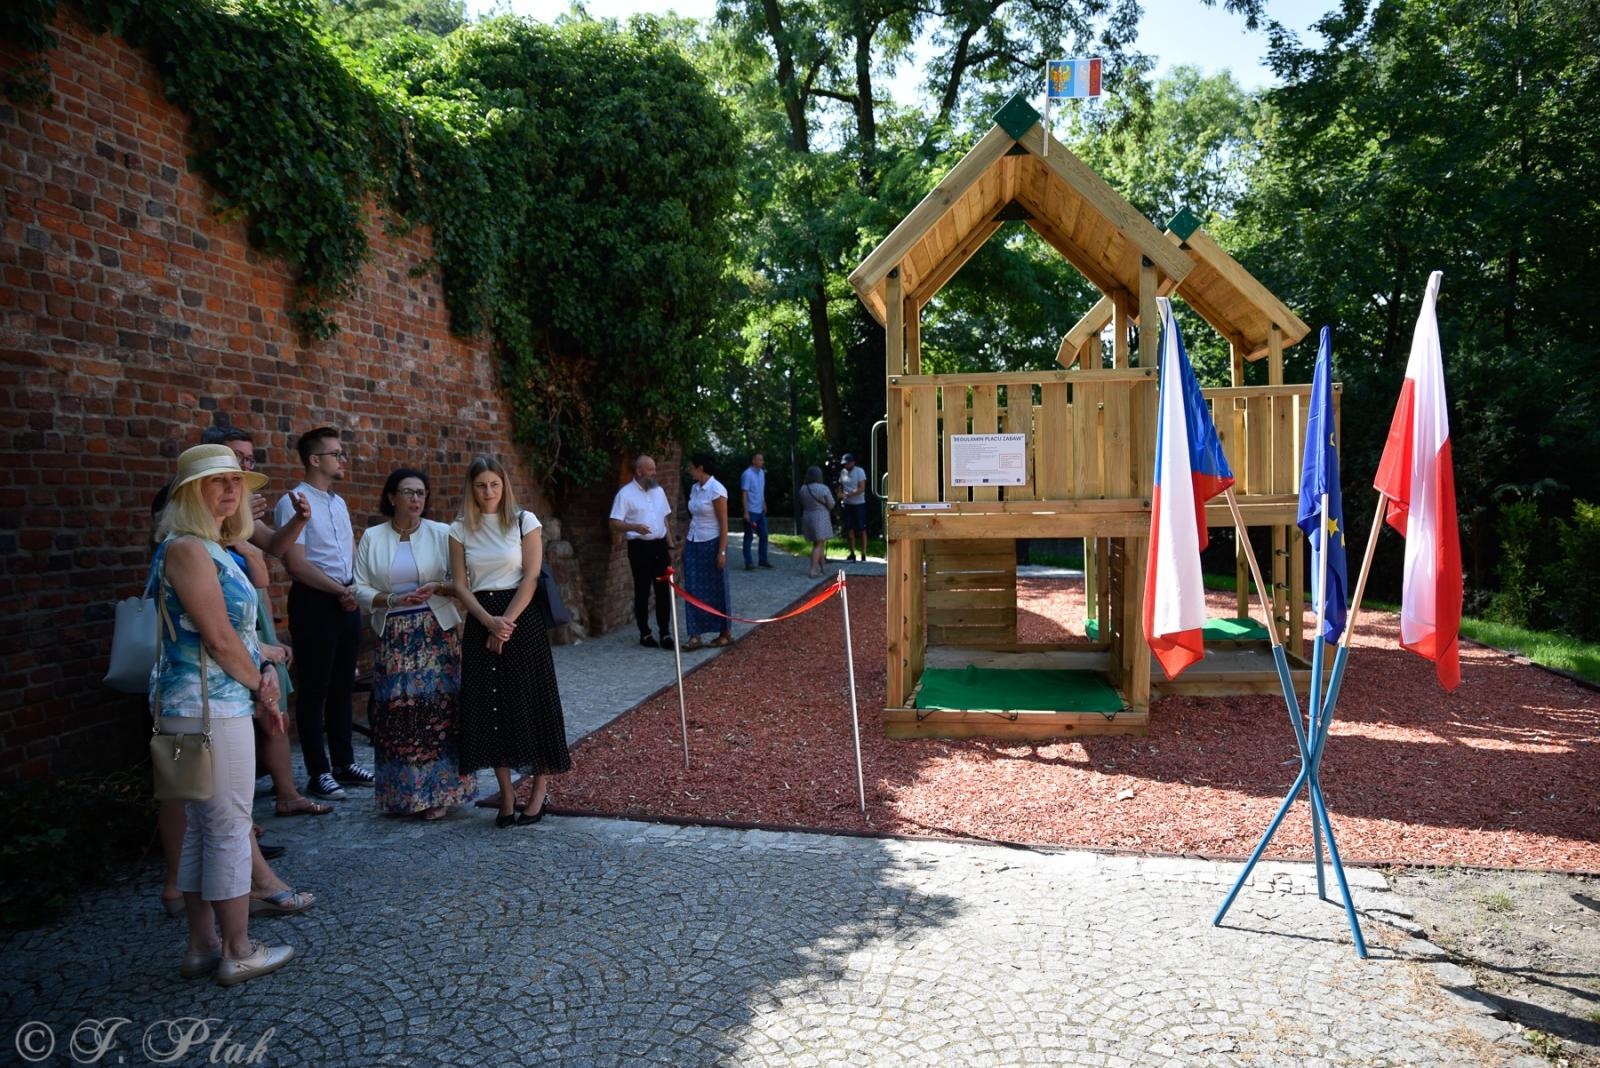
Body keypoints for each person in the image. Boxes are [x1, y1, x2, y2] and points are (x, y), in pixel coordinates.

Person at [150, 444, 295, 986]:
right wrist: (261, 684)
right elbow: (218, 637)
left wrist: (263, 665)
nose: (232, 490)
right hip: (209, 706)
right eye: (217, 482)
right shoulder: (188, 548)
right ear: (190, 492)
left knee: (202, 829)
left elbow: (233, 637)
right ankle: (238, 947)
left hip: (198, 704)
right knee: (229, 826)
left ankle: (202, 944)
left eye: (236, 481)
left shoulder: (207, 546)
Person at [450, 456, 571, 829]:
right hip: (481, 617)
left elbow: (531, 576)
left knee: (529, 701)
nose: (488, 491)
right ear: (472, 488)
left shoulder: (524, 520)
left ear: (504, 486)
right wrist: (488, 622)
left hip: (521, 618)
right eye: (482, 485)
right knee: (490, 707)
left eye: (495, 484)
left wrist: (505, 625)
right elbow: (459, 584)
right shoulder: (458, 529)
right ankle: (505, 795)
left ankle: (538, 792)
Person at [353, 468, 479, 820]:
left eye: (421, 493)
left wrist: (438, 587)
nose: (416, 500)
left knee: (438, 711)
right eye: (408, 492)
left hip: (434, 631)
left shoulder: (442, 533)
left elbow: (462, 578)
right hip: (394, 633)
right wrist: (390, 600)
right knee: (397, 715)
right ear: (392, 497)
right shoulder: (373, 537)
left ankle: (440, 792)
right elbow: (358, 587)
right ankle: (402, 794)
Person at [276, 427, 369, 801]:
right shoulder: (293, 501)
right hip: (314, 601)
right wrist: (339, 590)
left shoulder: (338, 503)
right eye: (336, 454)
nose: (343, 459)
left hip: (345, 600)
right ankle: (318, 771)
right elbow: (297, 565)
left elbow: (348, 553)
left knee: (342, 685)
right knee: (314, 690)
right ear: (315, 460)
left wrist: (352, 590)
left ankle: (344, 763)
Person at [608, 454, 677, 649]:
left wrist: (669, 543)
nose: (655, 473)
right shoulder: (625, 494)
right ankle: (645, 633)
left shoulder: (658, 491)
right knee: (642, 590)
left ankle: (665, 633)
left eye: (654, 469)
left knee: (663, 591)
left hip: (660, 545)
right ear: (639, 472)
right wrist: (634, 527)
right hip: (640, 547)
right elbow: (614, 523)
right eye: (651, 470)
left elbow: (665, 518)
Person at [680, 453, 733, 651]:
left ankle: (724, 632)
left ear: (700, 468)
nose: (688, 470)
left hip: (712, 542)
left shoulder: (716, 490)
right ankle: (695, 634)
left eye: (691, 466)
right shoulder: (695, 488)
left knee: (717, 588)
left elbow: (724, 524)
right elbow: (692, 517)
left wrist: (722, 552)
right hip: (694, 541)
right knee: (693, 588)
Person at [799, 466, 836, 579]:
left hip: (807, 516)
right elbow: (831, 504)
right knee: (819, 544)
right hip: (820, 517)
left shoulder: (803, 489)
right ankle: (813, 570)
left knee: (819, 543)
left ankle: (823, 567)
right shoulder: (823, 488)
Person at [740, 452, 772, 570]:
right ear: (753, 460)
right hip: (751, 510)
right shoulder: (747, 475)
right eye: (759, 460)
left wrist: (764, 503)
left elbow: (760, 490)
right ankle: (748, 562)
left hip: (760, 510)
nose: (761, 462)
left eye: (762, 460)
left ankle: (763, 560)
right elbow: (744, 493)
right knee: (749, 536)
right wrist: (746, 511)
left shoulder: (762, 473)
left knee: (764, 535)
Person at [837, 452, 868, 562]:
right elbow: (840, 486)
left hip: (859, 504)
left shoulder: (859, 472)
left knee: (861, 529)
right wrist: (840, 494)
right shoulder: (843, 472)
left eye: (848, 463)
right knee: (849, 529)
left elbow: (862, 488)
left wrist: (849, 494)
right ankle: (852, 553)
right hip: (847, 504)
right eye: (844, 464)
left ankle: (864, 553)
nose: (846, 466)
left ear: (853, 463)